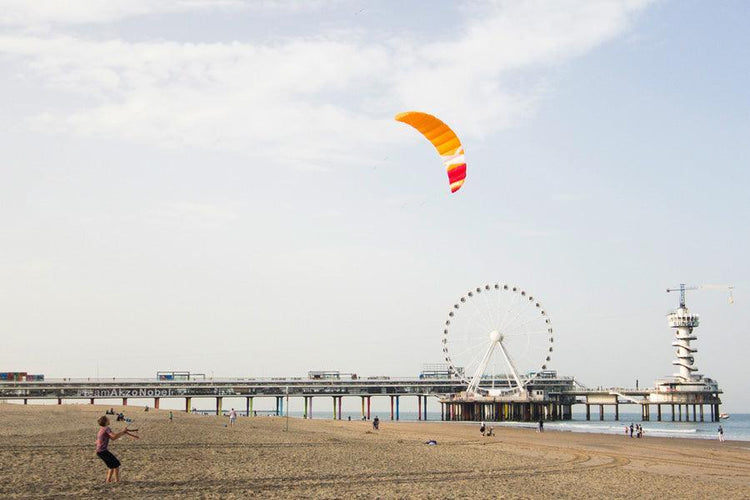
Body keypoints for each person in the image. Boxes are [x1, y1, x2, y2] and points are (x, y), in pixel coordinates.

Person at [95, 415, 138, 483]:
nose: (109, 420)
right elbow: (114, 436)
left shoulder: (103, 428)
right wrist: (123, 432)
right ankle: (117, 480)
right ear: (105, 422)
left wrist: (123, 433)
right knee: (116, 464)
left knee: (112, 465)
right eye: (108, 419)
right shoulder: (106, 428)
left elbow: (113, 438)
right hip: (102, 451)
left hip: (100, 451)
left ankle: (108, 480)